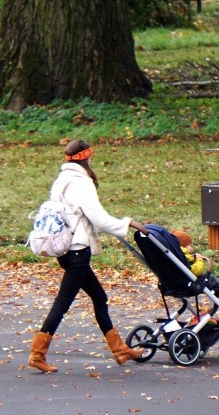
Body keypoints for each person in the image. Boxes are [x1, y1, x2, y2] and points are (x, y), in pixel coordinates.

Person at [28, 139, 149, 373]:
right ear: (87, 157)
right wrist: (130, 223)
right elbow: (99, 219)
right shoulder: (82, 183)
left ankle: (120, 351)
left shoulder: (61, 180)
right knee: (63, 303)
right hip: (77, 253)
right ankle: (37, 354)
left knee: (99, 297)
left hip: (65, 251)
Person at [170, 229, 219, 293]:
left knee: (209, 279)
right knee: (208, 278)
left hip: (172, 284)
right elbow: (195, 271)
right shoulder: (184, 255)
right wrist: (199, 259)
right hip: (186, 283)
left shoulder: (173, 255)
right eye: (189, 245)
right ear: (183, 246)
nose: (191, 247)